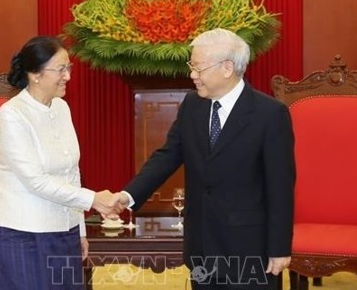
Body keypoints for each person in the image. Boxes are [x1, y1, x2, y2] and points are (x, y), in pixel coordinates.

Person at [118, 28, 295, 289]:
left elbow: (280, 187)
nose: (192, 75)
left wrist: (279, 247)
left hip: (249, 248)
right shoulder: (192, 105)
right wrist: (128, 196)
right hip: (201, 243)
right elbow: (167, 156)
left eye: (198, 68)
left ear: (226, 68)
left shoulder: (269, 114)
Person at [0, 35, 123, 290]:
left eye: (68, 68)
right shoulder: (12, 115)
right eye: (61, 69)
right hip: (23, 232)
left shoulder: (62, 108)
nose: (68, 76)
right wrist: (93, 199)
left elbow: (72, 171)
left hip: (64, 229)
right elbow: (35, 181)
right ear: (35, 74)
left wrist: (80, 230)